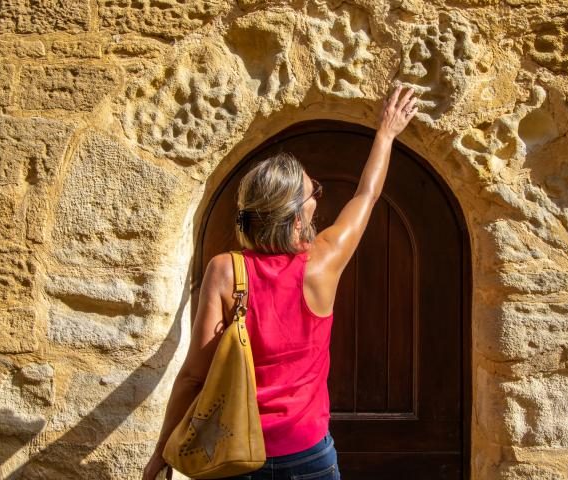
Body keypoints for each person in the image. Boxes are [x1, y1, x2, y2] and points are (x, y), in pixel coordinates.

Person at [142, 85, 418, 480]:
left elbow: (192, 377)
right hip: (307, 453)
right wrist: (386, 133)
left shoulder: (224, 271)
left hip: (233, 453)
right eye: (312, 193)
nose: (317, 200)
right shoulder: (321, 262)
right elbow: (367, 195)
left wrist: (160, 456)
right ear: (293, 215)